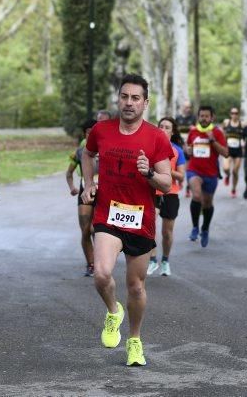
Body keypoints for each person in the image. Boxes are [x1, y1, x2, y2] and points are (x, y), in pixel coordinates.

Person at [80, 74, 172, 367]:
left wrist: (149, 174)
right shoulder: (101, 130)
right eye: (124, 96)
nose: (129, 103)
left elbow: (167, 184)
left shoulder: (156, 136)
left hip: (140, 220)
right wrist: (87, 183)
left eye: (135, 98)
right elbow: (87, 153)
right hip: (108, 213)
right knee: (102, 273)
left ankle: (134, 339)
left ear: (146, 103)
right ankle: (112, 311)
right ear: (118, 98)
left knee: (136, 287)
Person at [146, 117, 186, 277]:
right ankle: (153, 259)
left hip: (171, 193)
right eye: (160, 126)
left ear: (173, 131)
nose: (163, 129)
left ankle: (165, 261)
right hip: (153, 192)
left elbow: (182, 176)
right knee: (150, 226)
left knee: (166, 233)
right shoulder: (151, 147)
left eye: (167, 127)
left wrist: (167, 169)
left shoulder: (178, 151)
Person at [186, 106, 229, 247]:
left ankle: (205, 228)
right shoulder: (193, 131)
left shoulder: (217, 132)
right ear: (198, 117)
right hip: (194, 170)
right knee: (197, 196)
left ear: (212, 118)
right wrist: (188, 150)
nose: (203, 118)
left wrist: (213, 141)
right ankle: (195, 227)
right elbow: (187, 149)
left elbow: (225, 153)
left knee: (207, 204)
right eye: (201, 116)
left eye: (206, 116)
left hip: (211, 174)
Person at [66, 119, 98, 277]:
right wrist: (72, 187)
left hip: (103, 192)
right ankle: (91, 264)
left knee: (96, 229)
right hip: (85, 191)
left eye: (94, 130)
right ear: (85, 133)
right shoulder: (80, 151)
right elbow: (69, 173)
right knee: (85, 230)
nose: (91, 133)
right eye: (88, 131)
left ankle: (101, 261)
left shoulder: (107, 145)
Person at [221, 107, 244, 198]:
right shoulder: (226, 122)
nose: (234, 115)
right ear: (230, 114)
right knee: (226, 168)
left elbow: (245, 135)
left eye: (236, 113)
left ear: (238, 114)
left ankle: (233, 189)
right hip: (228, 149)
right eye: (232, 113)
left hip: (238, 150)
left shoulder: (242, 124)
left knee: (235, 171)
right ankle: (227, 175)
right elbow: (221, 132)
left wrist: (244, 141)